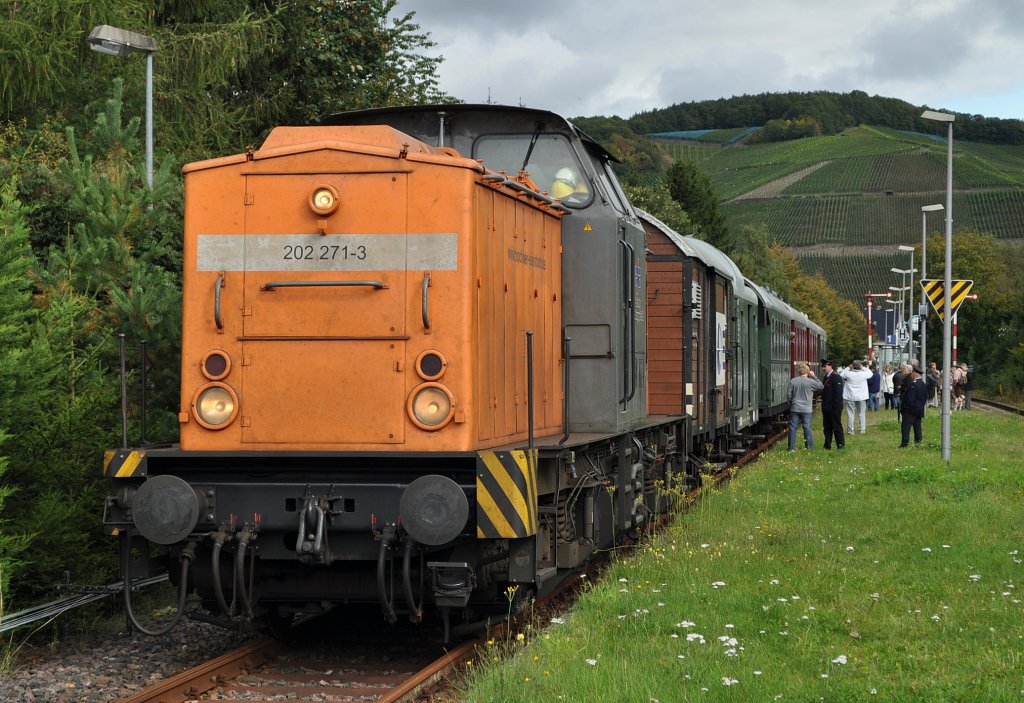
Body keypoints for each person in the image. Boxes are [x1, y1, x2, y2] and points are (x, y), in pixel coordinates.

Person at [787, 363, 823, 451]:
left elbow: (788, 394)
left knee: (792, 427)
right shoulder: (811, 382)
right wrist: (814, 376)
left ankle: (791, 448)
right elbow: (821, 386)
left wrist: (792, 403)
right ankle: (809, 447)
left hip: (795, 407)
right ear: (808, 372)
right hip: (807, 409)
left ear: (798, 371)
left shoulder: (793, 381)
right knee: (807, 428)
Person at [840, 360, 872, 435]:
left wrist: (848, 367)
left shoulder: (848, 373)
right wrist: (863, 367)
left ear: (853, 366)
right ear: (860, 366)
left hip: (850, 396)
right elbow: (870, 373)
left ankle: (851, 431)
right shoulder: (864, 374)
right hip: (861, 397)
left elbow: (841, 375)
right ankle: (862, 430)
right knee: (861, 413)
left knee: (850, 414)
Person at [819, 359, 845, 449]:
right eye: (822, 367)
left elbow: (838, 394)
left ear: (830, 366)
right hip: (826, 407)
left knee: (836, 426)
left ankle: (840, 444)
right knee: (827, 427)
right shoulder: (826, 377)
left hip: (834, 407)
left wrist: (835, 407)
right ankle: (827, 444)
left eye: (825, 366)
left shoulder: (836, 377)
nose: (823, 368)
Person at [900, 365, 928, 447]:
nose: (911, 374)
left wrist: (905, 408)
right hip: (919, 409)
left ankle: (904, 444)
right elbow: (925, 397)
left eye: (912, 373)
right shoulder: (923, 384)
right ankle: (918, 442)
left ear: (915, 374)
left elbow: (910, 399)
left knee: (906, 427)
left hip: (910, 411)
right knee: (917, 427)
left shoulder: (913, 385)